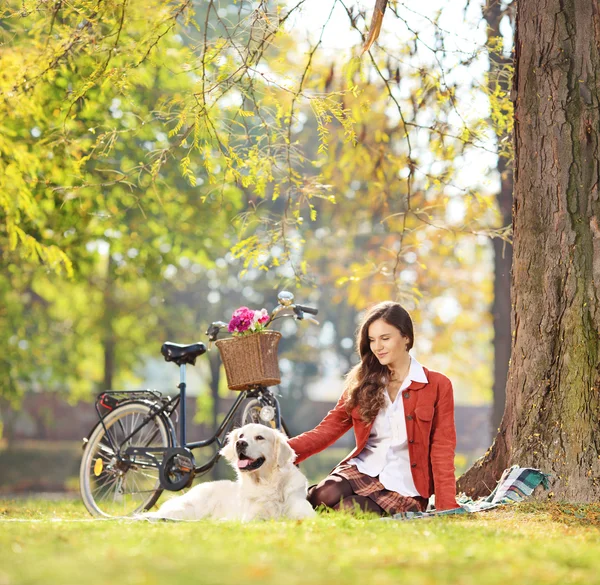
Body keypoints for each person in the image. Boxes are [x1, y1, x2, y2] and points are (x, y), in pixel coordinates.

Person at [288, 301, 461, 516]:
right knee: (325, 494)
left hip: (404, 486)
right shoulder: (363, 382)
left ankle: (322, 518)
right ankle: (304, 508)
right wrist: (276, 452)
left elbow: (442, 447)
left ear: (406, 337)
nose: (377, 347)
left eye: (385, 338)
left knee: (349, 509)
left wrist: (446, 506)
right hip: (363, 468)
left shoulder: (437, 385)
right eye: (372, 340)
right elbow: (326, 430)